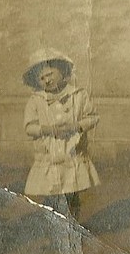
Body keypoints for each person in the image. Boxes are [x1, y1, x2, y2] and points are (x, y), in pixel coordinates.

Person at [22, 49, 100, 222]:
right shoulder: (36, 100)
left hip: (72, 156)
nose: (47, 80)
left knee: (72, 195)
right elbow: (29, 127)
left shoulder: (79, 95)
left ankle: (73, 227)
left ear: (62, 72)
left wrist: (77, 126)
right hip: (49, 158)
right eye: (41, 78)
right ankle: (56, 231)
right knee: (51, 198)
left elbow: (93, 117)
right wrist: (47, 129)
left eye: (49, 74)